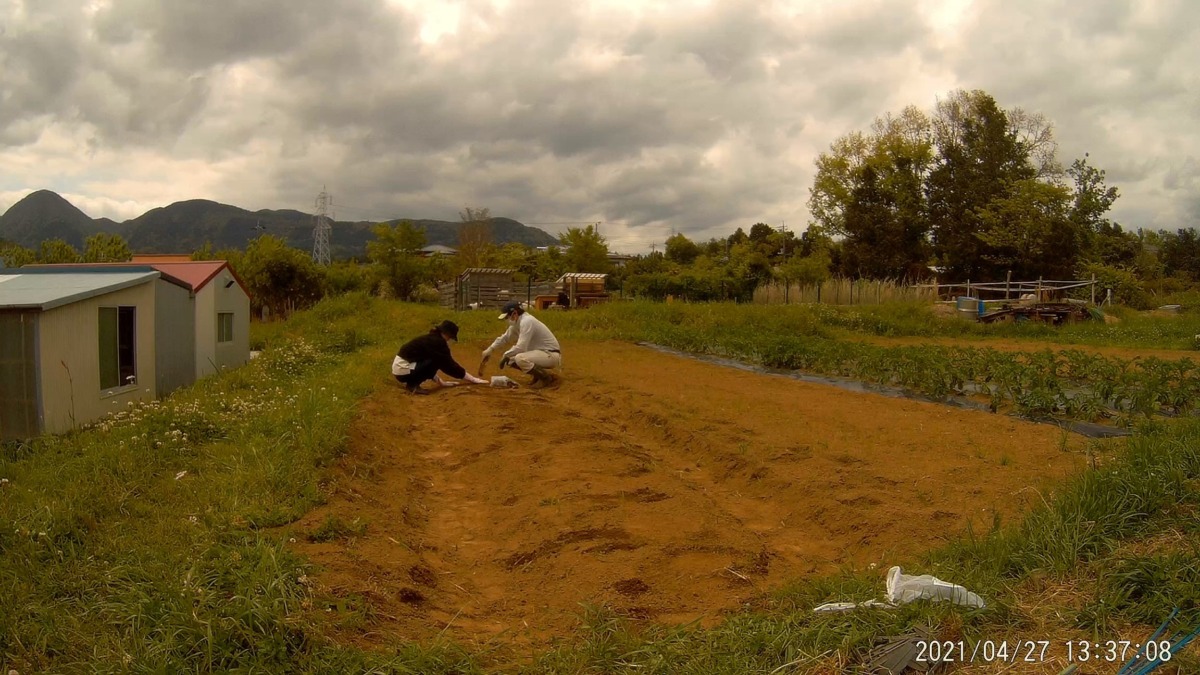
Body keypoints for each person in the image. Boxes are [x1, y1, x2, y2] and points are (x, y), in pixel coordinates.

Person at [479, 300, 562, 388]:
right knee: (511, 360)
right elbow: (505, 338)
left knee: (519, 358)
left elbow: (521, 347)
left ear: (514, 313)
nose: (506, 320)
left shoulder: (527, 321)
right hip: (541, 353)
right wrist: (490, 349)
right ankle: (538, 376)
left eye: (507, 317)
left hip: (550, 354)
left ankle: (545, 378)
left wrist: (506, 354)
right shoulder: (517, 323)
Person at [393, 320, 487, 395]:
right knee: (437, 360)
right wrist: (473, 379)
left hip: (401, 369)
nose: (449, 339)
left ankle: (413, 384)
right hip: (404, 370)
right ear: (446, 334)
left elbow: (429, 365)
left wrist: (441, 382)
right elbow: (449, 365)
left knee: (436, 360)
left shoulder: (432, 339)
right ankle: (412, 385)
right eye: (450, 337)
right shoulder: (437, 342)